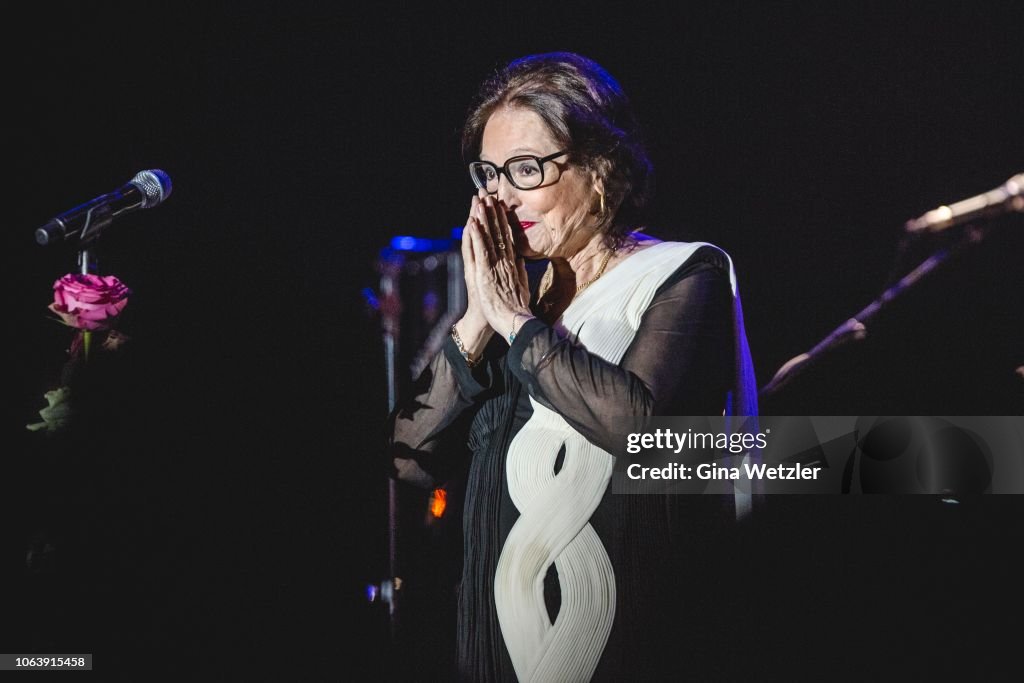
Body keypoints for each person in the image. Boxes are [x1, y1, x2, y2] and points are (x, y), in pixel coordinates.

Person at [388, 52, 758, 682]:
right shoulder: (509, 313)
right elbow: (406, 457)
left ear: (600, 168)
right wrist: (480, 316)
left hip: (636, 643)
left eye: (526, 169)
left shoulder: (681, 273)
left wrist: (514, 322)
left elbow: (642, 432)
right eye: (489, 173)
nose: (501, 195)